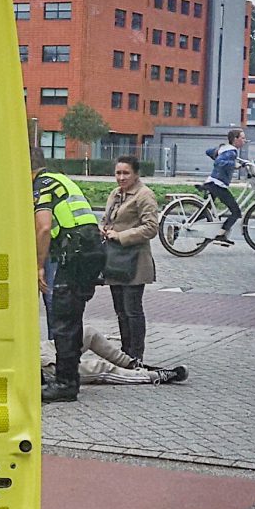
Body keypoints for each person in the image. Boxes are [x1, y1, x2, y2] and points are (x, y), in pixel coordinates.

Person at [34, 146, 104, 404]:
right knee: (72, 316)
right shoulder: (61, 179)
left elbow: (43, 228)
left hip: (74, 252)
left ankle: (65, 384)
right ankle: (68, 379)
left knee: (63, 318)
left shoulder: (41, 185)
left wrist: (38, 265)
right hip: (91, 250)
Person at [100, 154, 162, 361]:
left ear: (136, 174)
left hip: (135, 261)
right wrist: (104, 229)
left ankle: (136, 355)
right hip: (115, 260)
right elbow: (106, 218)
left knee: (132, 309)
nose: (121, 177)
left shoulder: (144, 195)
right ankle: (125, 355)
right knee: (120, 310)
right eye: (118, 173)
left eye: (126, 173)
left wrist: (122, 236)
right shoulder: (115, 194)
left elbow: (151, 227)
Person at [38, 323, 187, 385]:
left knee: (89, 333)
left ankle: (131, 364)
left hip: (38, 349)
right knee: (99, 368)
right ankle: (152, 376)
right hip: (43, 366)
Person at [202, 128, 247, 245]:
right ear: (235, 139)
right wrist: (234, 165)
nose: (244, 140)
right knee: (236, 212)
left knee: (205, 212)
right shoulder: (231, 151)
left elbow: (208, 151)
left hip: (211, 182)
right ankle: (221, 234)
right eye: (242, 138)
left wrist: (218, 151)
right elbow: (218, 162)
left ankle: (179, 227)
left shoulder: (225, 149)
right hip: (218, 185)